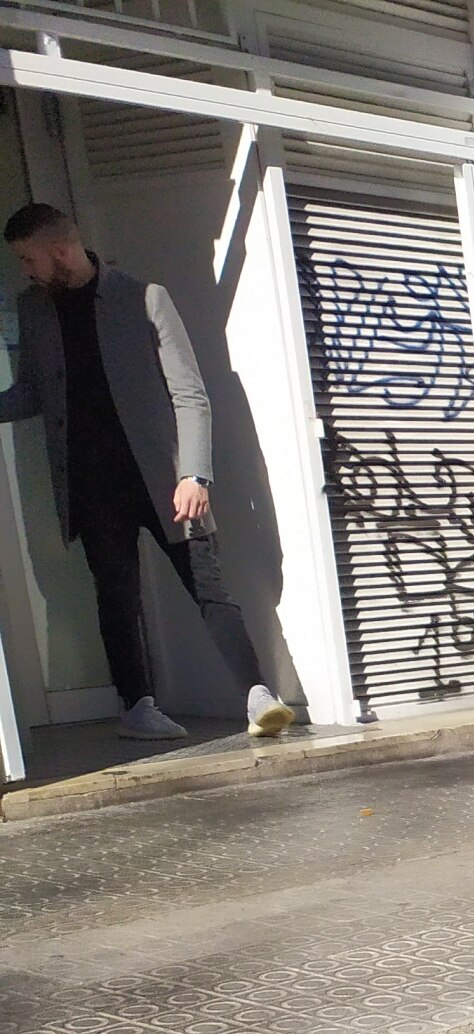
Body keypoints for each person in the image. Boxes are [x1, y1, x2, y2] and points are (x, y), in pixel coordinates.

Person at [0, 203, 293, 741]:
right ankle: (136, 708)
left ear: (60, 251)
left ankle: (258, 698)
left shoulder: (143, 297)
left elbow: (190, 392)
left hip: (164, 479)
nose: (26, 271)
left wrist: (195, 474)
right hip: (89, 483)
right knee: (114, 596)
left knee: (208, 588)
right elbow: (31, 393)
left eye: (29, 259)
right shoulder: (34, 308)